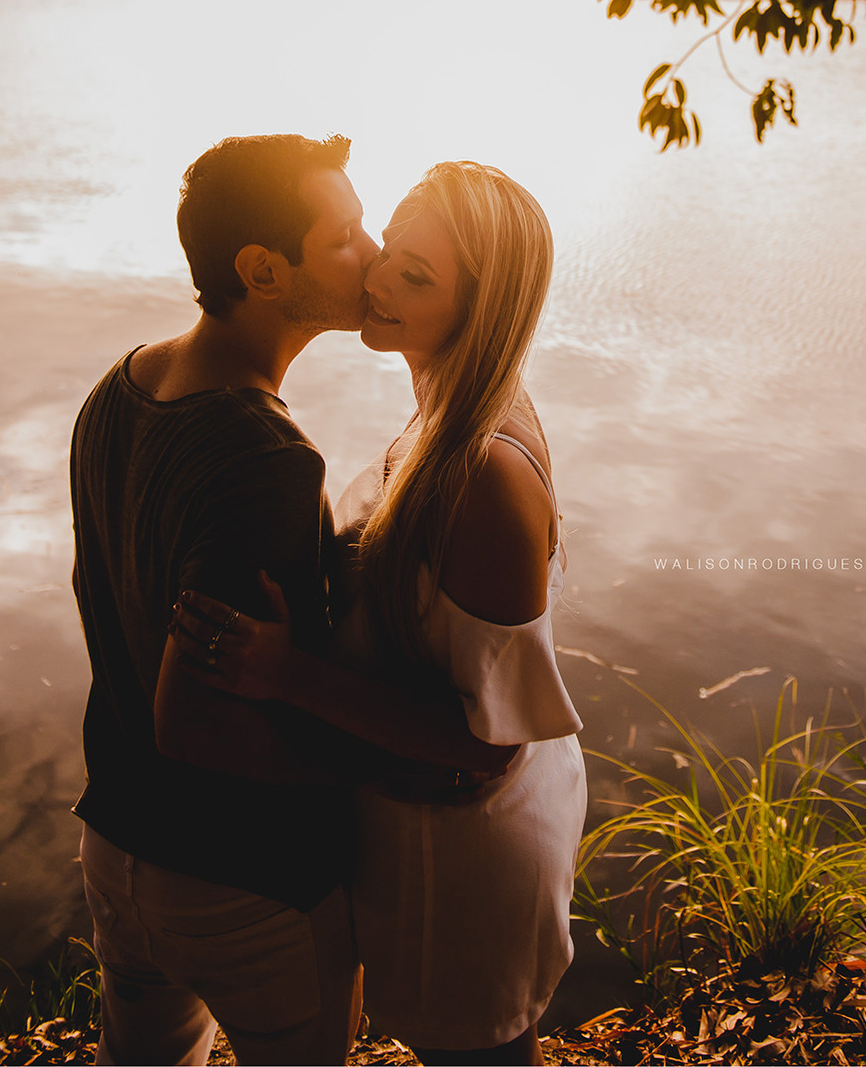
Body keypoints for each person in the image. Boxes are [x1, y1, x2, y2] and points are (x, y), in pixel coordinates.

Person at [177, 160, 587, 1066]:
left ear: (479, 308)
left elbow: (490, 740)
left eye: (417, 276)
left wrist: (287, 673)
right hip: (427, 821)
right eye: (389, 254)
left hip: (472, 849)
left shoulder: (483, 469)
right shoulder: (448, 408)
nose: (377, 280)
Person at [70, 132, 377, 1067]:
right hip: (242, 883)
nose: (372, 253)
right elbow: (193, 724)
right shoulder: (265, 459)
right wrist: (361, 782)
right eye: (346, 236)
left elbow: (98, 591)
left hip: (118, 849)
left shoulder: (119, 387)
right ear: (262, 269)